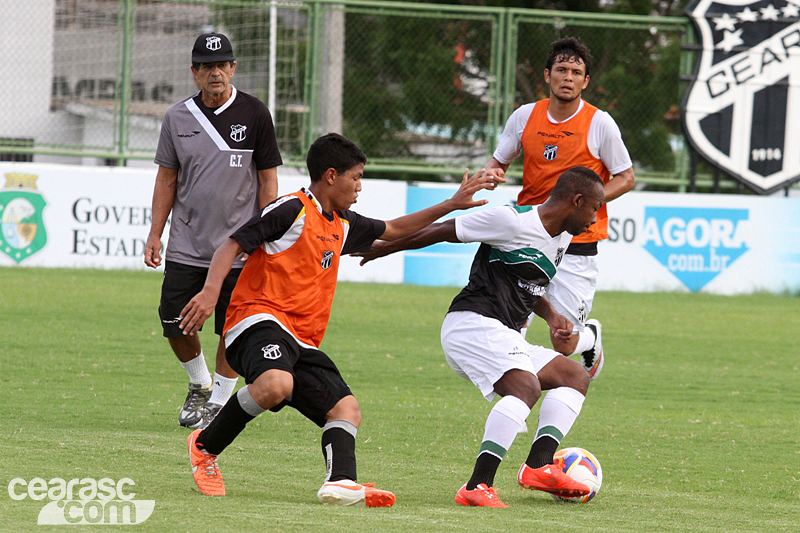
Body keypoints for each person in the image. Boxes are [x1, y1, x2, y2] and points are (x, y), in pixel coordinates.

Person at [177, 133, 502, 505]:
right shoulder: (292, 209)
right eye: (356, 177)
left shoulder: (342, 223)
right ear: (331, 176)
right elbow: (232, 243)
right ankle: (204, 447)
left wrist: (451, 204)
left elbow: (393, 230)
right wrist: (210, 292)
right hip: (256, 320)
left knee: (346, 409)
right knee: (276, 383)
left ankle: (340, 481)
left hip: (301, 339)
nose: (359, 186)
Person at [357, 166, 605, 507]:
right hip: (471, 324)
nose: (594, 219)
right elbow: (443, 230)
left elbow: (527, 283)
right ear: (576, 201)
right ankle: (477, 486)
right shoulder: (511, 221)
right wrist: (384, 248)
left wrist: (550, 315)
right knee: (526, 387)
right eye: (594, 208)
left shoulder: (562, 236)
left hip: (502, 333)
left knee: (573, 375)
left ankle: (539, 465)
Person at [144, 32, 283, 430]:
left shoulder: (255, 113)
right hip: (187, 244)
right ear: (195, 72)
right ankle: (200, 383)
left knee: (231, 327)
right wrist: (155, 233)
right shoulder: (177, 117)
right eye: (207, 66)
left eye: (222, 65)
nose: (215, 73)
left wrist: (263, 233)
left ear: (233, 68)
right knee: (174, 321)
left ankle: (220, 400)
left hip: (239, 248)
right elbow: (166, 179)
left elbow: (268, 180)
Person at [483, 37, 635, 380]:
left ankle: (590, 336)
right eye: (562, 69)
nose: (568, 77)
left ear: (586, 81)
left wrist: (587, 205)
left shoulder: (600, 123)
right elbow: (498, 162)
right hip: (528, 236)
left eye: (576, 72)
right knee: (510, 327)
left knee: (564, 342)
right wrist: (490, 175)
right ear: (547, 75)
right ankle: (515, 392)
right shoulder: (524, 116)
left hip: (577, 242)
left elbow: (626, 178)